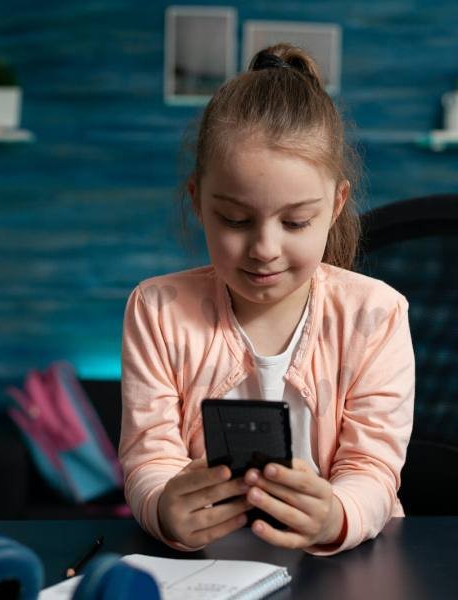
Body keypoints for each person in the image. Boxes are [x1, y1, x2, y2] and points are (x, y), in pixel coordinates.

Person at [118, 44, 415, 556]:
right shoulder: (157, 310)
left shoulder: (376, 314)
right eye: (236, 220)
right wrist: (164, 506)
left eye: (296, 222)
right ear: (198, 201)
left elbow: (373, 469)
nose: (264, 249)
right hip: (208, 571)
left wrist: (336, 515)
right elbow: (150, 458)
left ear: (337, 204)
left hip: (347, 567)